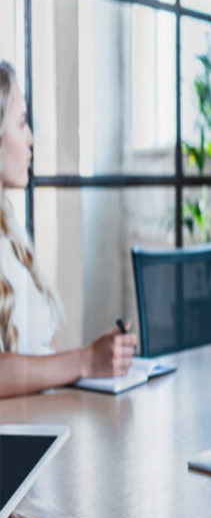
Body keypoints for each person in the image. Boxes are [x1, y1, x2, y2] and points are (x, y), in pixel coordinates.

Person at [0, 62, 137, 399]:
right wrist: (86, 360)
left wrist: (94, 358)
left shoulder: (12, 233)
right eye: (21, 124)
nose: (31, 138)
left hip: (47, 421)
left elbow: (43, 350)